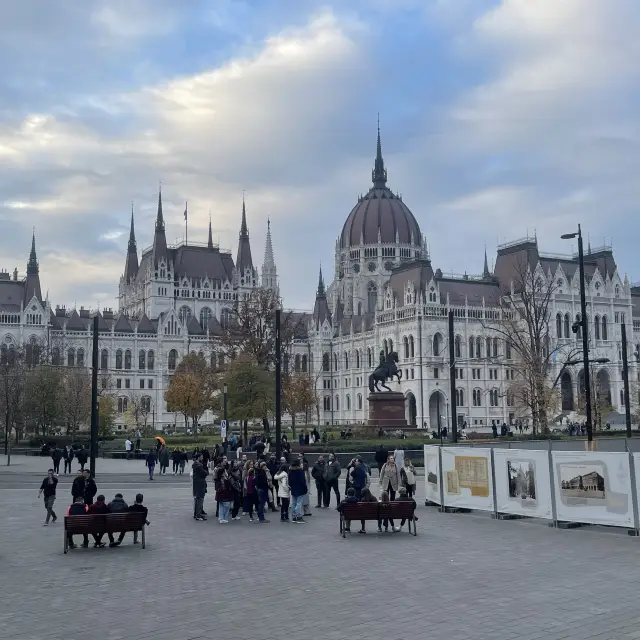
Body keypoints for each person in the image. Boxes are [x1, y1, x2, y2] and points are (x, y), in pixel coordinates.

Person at [288, 458, 308, 523]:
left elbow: (289, 481)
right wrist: (305, 488)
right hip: (300, 488)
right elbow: (302, 481)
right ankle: (299, 516)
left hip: (293, 488)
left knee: (294, 503)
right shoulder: (300, 471)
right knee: (299, 503)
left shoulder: (290, 471)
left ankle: (294, 517)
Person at [192, 455, 209, 521]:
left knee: (197, 499)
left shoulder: (195, 465)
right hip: (200, 484)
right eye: (201, 457)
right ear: (198, 457)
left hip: (196, 484)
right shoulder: (199, 466)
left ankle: (196, 513)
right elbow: (205, 473)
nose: (202, 458)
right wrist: (206, 471)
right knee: (200, 500)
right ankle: (198, 515)